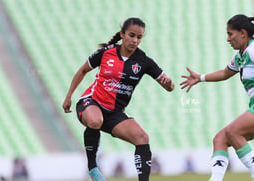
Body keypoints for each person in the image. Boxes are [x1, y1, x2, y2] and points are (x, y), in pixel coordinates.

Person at [62, 17, 174, 181]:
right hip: (92, 103)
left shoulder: (144, 61)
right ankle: (93, 169)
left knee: (142, 138)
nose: (135, 40)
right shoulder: (105, 53)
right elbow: (82, 71)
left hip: (114, 113)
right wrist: (68, 97)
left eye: (139, 37)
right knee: (95, 121)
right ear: (122, 34)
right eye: (131, 35)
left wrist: (169, 84)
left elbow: (169, 86)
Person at [180, 14, 254, 181]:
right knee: (220, 138)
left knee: (232, 131)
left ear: (242, 33)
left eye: (230, 34)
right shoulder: (241, 55)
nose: (228, 39)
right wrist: (199, 78)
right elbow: (224, 73)